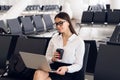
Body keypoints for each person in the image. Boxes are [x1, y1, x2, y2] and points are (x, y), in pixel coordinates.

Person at [33, 12, 85, 80]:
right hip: (54, 67)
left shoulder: (78, 41)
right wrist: (52, 59)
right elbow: (47, 58)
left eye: (61, 23)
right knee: (38, 73)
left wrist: (66, 69)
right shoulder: (54, 39)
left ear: (68, 22)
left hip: (69, 71)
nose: (58, 26)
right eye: (56, 24)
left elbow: (78, 65)